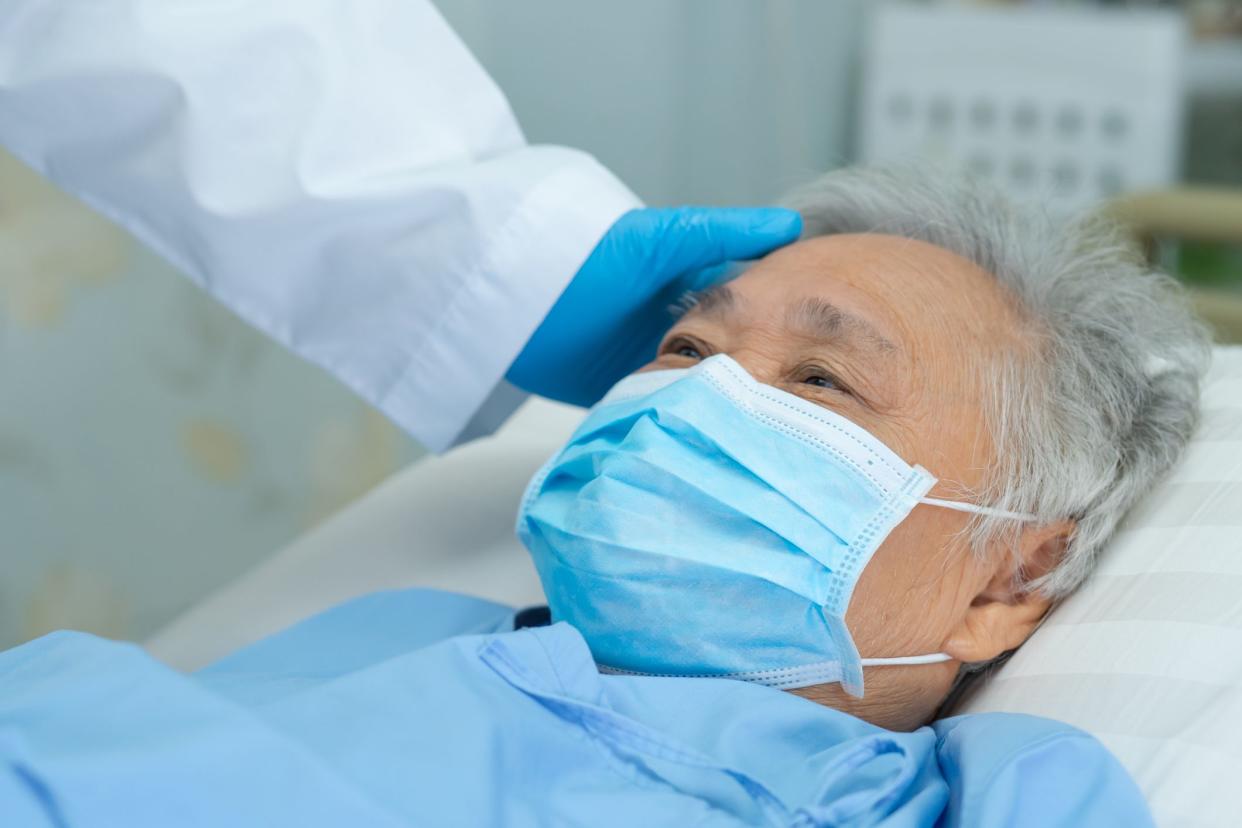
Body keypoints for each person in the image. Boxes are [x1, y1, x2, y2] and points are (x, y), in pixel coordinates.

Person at [0, 164, 1207, 826]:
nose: (697, 399)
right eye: (685, 349)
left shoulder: (982, 796)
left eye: (823, 377)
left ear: (1010, 577)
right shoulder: (403, 628)